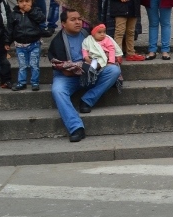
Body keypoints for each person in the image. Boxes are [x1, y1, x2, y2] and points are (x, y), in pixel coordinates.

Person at [48, 9, 122, 142]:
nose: (78, 22)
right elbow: (65, 70)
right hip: (68, 77)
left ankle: (87, 100)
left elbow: (102, 54)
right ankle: (75, 127)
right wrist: (85, 67)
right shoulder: (57, 42)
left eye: (79, 19)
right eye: (73, 19)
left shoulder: (88, 35)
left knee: (114, 71)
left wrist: (97, 64)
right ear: (63, 23)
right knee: (57, 90)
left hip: (91, 72)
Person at [9, 0, 46, 91]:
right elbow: (10, 29)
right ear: (17, 2)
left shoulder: (36, 11)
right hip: (20, 45)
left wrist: (31, 11)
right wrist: (7, 41)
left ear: (32, 1)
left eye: (27, 1)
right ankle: (22, 82)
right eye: (21, 1)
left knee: (34, 64)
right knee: (22, 65)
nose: (24, 4)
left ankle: (35, 82)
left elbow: (41, 19)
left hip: (34, 43)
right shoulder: (14, 14)